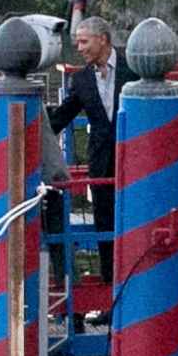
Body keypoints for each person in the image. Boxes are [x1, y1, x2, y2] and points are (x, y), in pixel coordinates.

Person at [0, 52, 71, 280]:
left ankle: (64, 290)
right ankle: (61, 289)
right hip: (43, 176)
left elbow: (2, 132)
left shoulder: (9, 98)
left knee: (54, 241)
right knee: (53, 240)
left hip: (45, 178)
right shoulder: (27, 98)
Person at [48, 16, 139, 289]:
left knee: (137, 222)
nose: (79, 47)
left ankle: (137, 290)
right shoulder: (82, 79)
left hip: (135, 160)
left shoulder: (132, 65)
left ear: (103, 39)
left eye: (84, 41)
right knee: (104, 226)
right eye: (77, 41)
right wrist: (30, 131)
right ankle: (111, 294)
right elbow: (63, 116)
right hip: (101, 163)